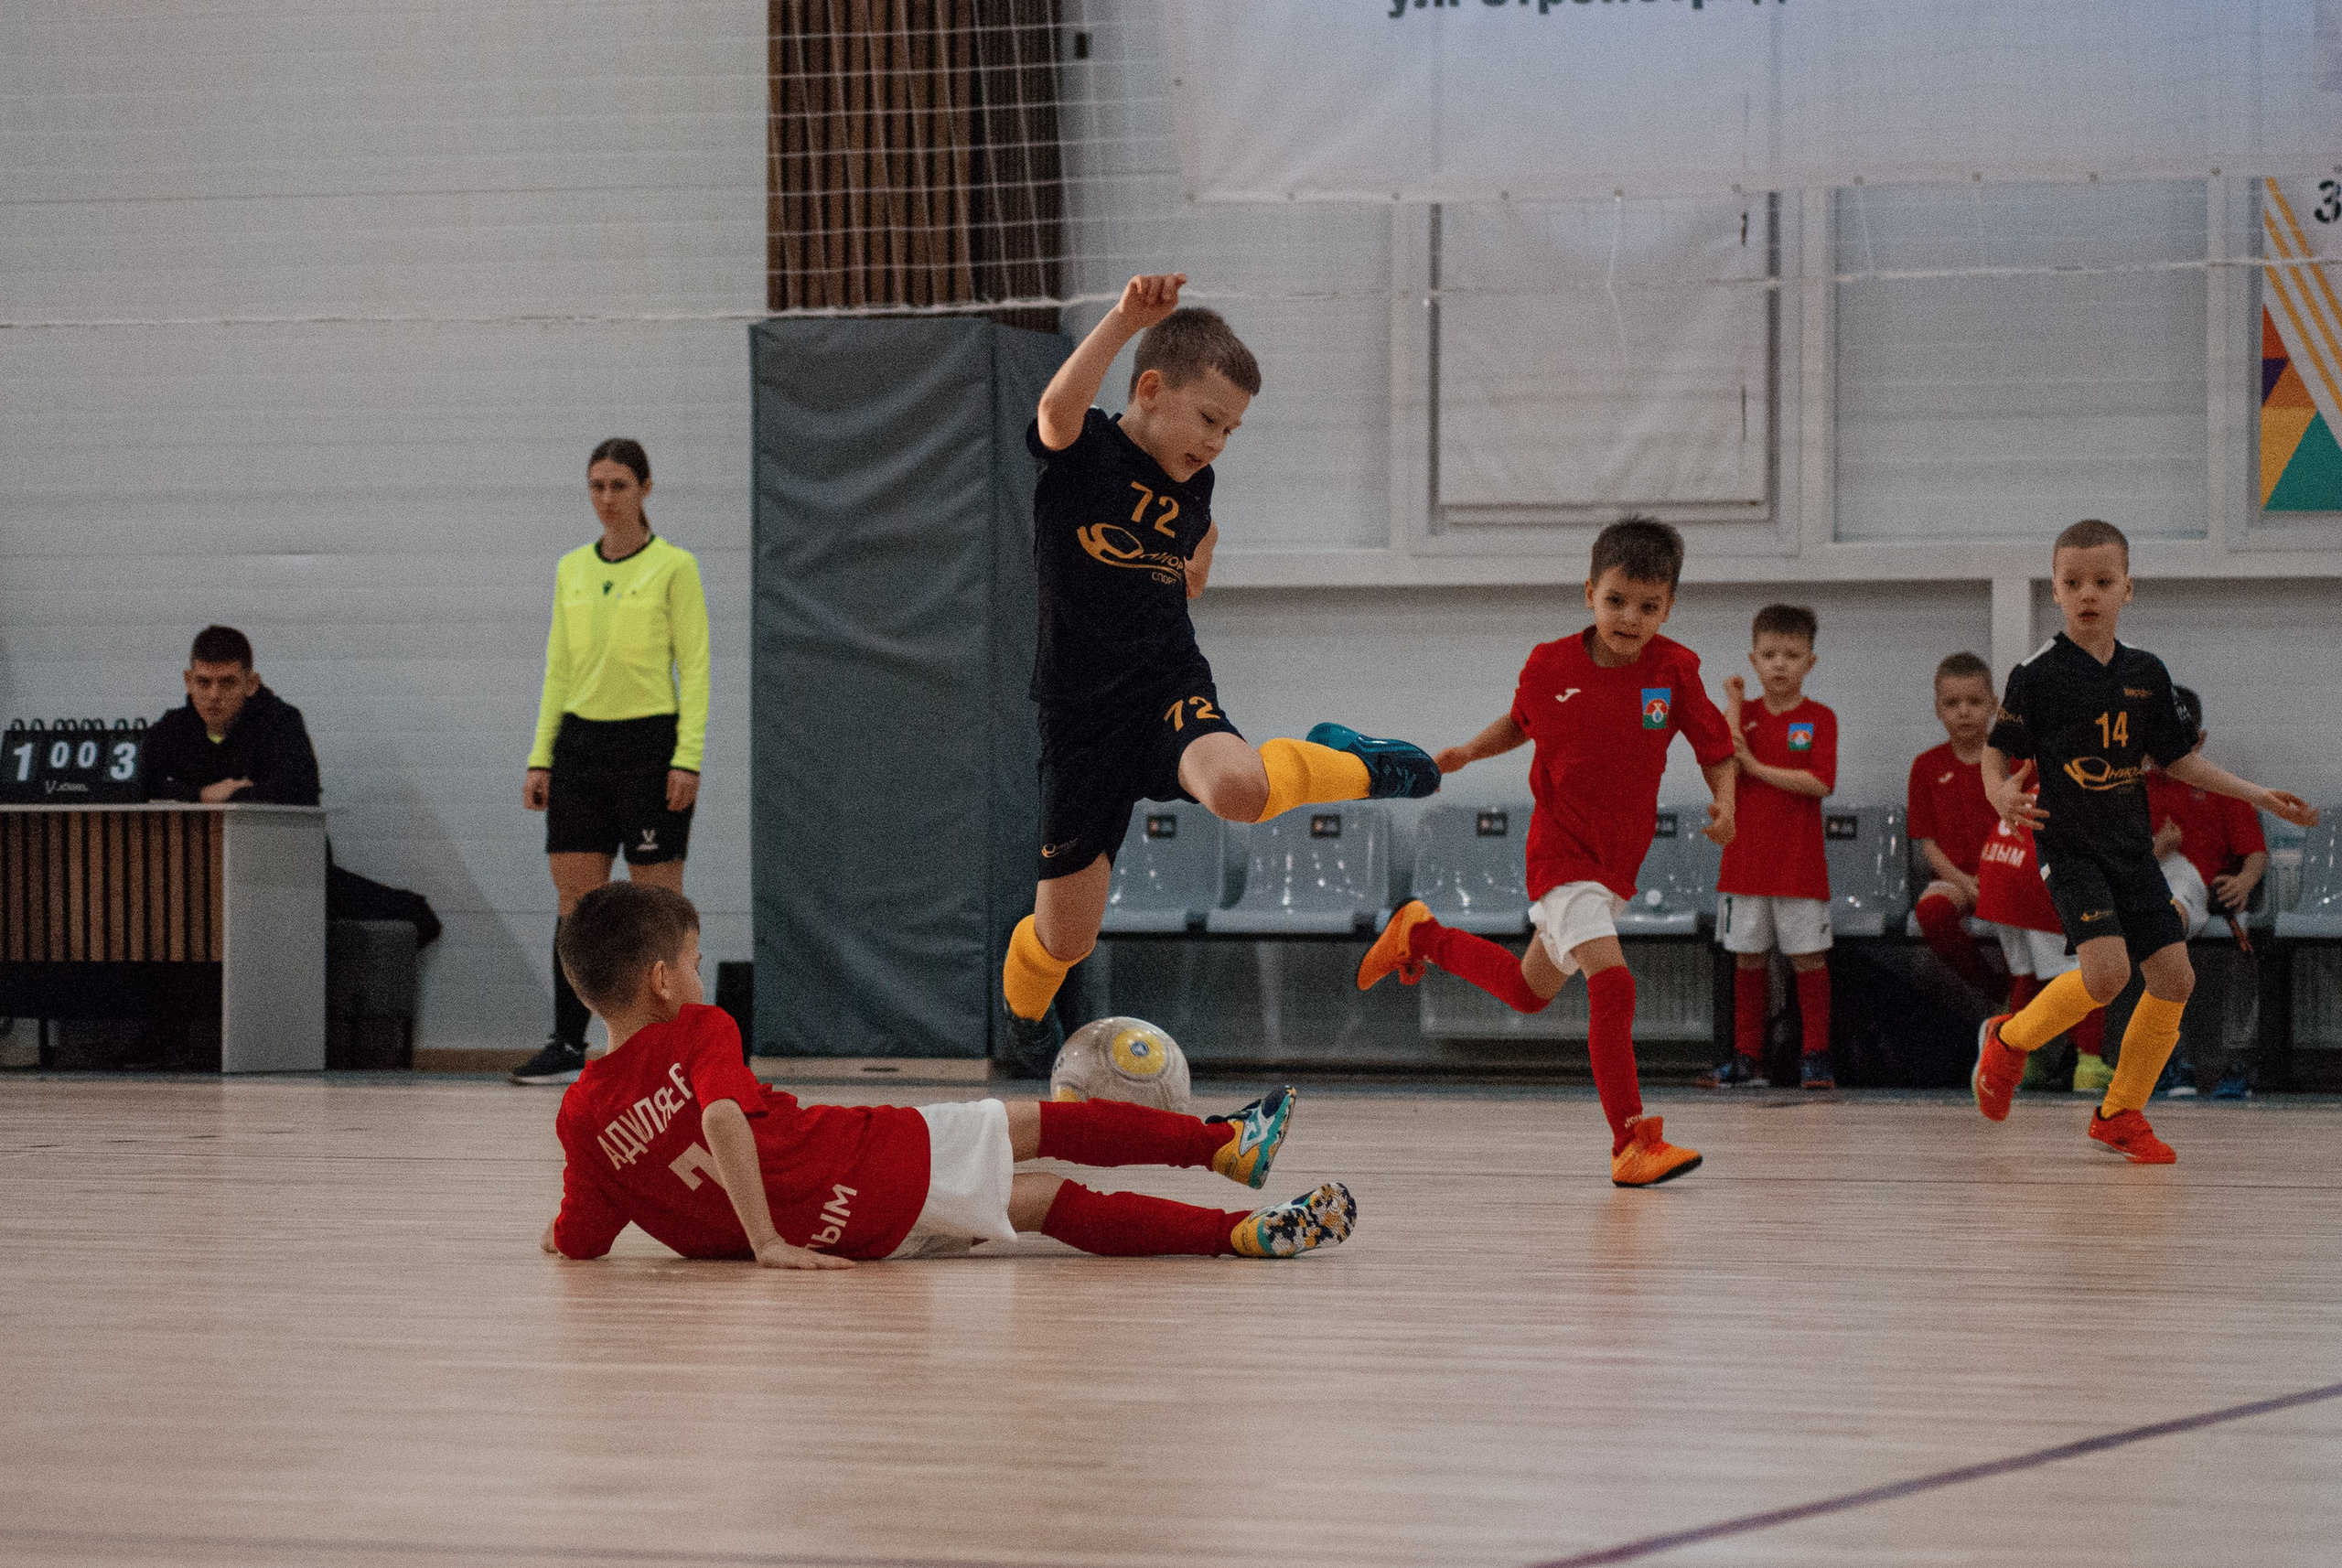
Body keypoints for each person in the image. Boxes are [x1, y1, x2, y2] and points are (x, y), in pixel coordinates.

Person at [1001, 274, 1440, 1070]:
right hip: (1079, 720)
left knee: (1238, 791)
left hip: (1166, 687)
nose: (1216, 445)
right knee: (1066, 939)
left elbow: (1190, 560)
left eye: (1232, 430)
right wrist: (1124, 319)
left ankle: (1351, 763)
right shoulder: (1086, 451)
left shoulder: (1194, 484)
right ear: (1150, 389)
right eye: (1209, 420)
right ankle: (1024, 1017)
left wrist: (1198, 556)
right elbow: (1054, 411)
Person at [541, 882, 1353, 1265]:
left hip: (859, 1236)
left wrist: (552, 1239)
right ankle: (1223, 1146)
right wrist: (767, 1244)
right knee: (1036, 1124)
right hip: (855, 1163)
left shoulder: (581, 1116)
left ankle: (1238, 1233)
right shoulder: (698, 1029)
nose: (697, 973)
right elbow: (721, 1119)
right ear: (660, 980)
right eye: (691, 960)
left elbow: (581, 1239)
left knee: (1039, 1203)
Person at [1356, 517, 1736, 1187]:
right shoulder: (1549, 664)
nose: (1630, 617)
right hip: (1561, 858)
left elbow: (1716, 748)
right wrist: (1468, 751)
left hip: (1616, 865)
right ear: (1590, 592)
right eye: (1616, 600)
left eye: (1648, 606)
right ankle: (1630, 1142)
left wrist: (1725, 802)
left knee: (1527, 991)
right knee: (1614, 985)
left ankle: (1420, 934)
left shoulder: (1675, 670)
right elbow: (1519, 723)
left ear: (1669, 608)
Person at [1972, 519, 2320, 1162]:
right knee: (2106, 975)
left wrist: (2258, 794)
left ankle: (2120, 1114)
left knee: (2174, 978)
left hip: (2132, 851)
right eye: (2074, 582)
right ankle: (2009, 1041)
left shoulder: (2146, 672)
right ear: (2056, 590)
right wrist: (1998, 793)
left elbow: (2179, 760)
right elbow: (1996, 754)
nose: (2088, 593)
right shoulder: (2037, 675)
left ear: (2127, 589)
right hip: (2070, 849)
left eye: (2103, 581)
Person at [512, 438, 711, 1087]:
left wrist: (687, 757)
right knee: (576, 899)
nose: (606, 498)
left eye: (619, 485)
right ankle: (568, 1043)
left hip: (650, 747)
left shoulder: (675, 566)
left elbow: (696, 667)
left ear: (645, 489)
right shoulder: (571, 568)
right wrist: (541, 756)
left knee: (659, 903)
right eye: (596, 485)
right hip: (579, 746)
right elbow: (558, 667)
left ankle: (673, 1048)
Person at [1701, 605, 1838, 1091]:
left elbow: (1820, 782)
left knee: (1808, 959)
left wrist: (1758, 769)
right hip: (1744, 863)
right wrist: (1733, 703)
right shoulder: (1743, 716)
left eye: (1792, 655)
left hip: (1799, 866)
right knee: (1747, 959)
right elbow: (1725, 762)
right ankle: (1746, 1058)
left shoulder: (1820, 718)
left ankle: (1816, 1056)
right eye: (1770, 654)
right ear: (1754, 660)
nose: (1780, 664)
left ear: (1810, 661)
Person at [2145, 686, 2269, 1099]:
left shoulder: (2221, 788)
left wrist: (2245, 881)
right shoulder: (2135, 789)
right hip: (2150, 882)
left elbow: (2255, 853)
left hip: (2205, 893)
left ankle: (2232, 1066)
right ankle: (2170, 1062)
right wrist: (2159, 848)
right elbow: (2126, 860)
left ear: (2198, 741)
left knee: (2177, 921)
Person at [1976, 811, 2111, 1094]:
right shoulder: (2103, 788)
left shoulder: (2040, 786)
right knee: (2089, 969)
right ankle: (2089, 1065)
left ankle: (2017, 1062)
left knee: (2027, 974)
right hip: (2037, 875)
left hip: (1999, 869)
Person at [1907, 651, 2006, 1000]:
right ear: (1938, 709)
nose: (1964, 711)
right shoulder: (1925, 766)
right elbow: (1927, 843)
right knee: (1931, 912)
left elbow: (2029, 833)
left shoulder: (2013, 760)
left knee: (2039, 915)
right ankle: (1995, 991)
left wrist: (1995, 880)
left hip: (2006, 875)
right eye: (1952, 703)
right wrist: (1964, 881)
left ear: (1993, 705)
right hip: (1954, 880)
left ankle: (2029, 1002)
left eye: (1974, 702)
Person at [147, 624, 323, 806]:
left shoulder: (282, 722)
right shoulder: (172, 728)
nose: (214, 695)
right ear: (188, 681)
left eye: (228, 683)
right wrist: (201, 795)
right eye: (204, 682)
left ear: (251, 684)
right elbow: (136, 787)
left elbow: (302, 793)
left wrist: (231, 796)